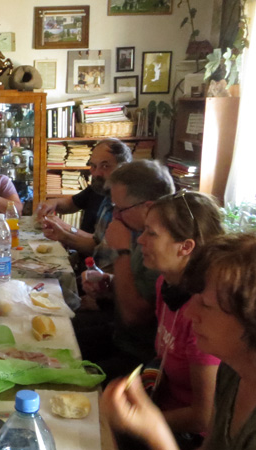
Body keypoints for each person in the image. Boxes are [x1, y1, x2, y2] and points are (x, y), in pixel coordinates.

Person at [102, 233, 256, 450]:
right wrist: (151, 425)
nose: (189, 313)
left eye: (206, 305)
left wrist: (155, 431)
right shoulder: (235, 368)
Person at [117, 191, 225, 450]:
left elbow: (203, 416)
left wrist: (135, 422)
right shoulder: (165, 285)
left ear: (185, 247)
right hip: (158, 403)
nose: (140, 240)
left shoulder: (204, 314)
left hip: (185, 436)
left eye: (151, 234)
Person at [79, 160, 174, 381]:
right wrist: (108, 284)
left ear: (148, 207)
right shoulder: (139, 232)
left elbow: (135, 316)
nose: (115, 216)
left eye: (120, 209)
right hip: (118, 335)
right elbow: (137, 286)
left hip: (140, 357)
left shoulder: (162, 247)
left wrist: (121, 251)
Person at [38, 138, 132, 250]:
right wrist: (51, 203)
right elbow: (70, 203)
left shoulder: (127, 204)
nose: (96, 173)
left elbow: (100, 250)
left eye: (105, 166)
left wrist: (66, 230)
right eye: (93, 166)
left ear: (124, 168)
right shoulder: (99, 187)